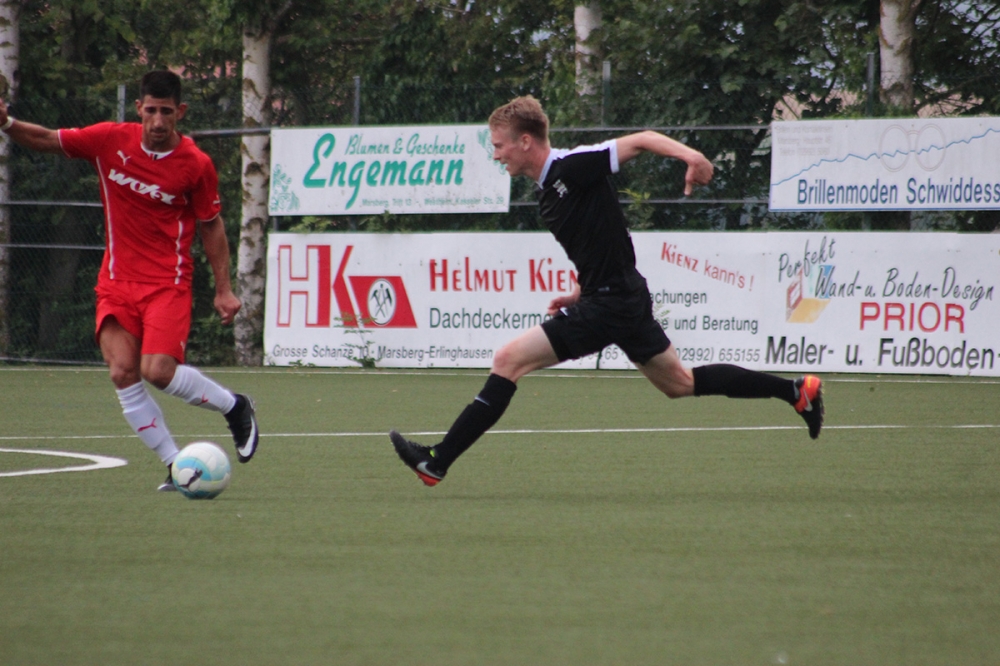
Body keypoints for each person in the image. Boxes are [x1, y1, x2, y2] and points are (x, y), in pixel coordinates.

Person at [390, 95, 823, 487]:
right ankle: (795, 392)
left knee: (508, 360)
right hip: (618, 297)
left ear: (525, 141)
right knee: (679, 382)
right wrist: (578, 293)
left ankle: (437, 460)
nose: (496, 153)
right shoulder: (547, 194)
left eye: (499, 145)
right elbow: (602, 243)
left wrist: (692, 156)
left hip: (613, 302)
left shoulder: (572, 167)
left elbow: (643, 139)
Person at [0, 71, 258, 491]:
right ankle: (176, 466)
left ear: (180, 112)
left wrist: (224, 289)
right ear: (138, 108)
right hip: (116, 281)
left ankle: (235, 407)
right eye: (151, 110)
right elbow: (48, 138)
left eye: (167, 112)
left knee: (157, 371)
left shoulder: (195, 164)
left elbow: (211, 225)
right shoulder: (109, 140)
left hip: (167, 283)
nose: (158, 121)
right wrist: (7, 123)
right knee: (122, 372)